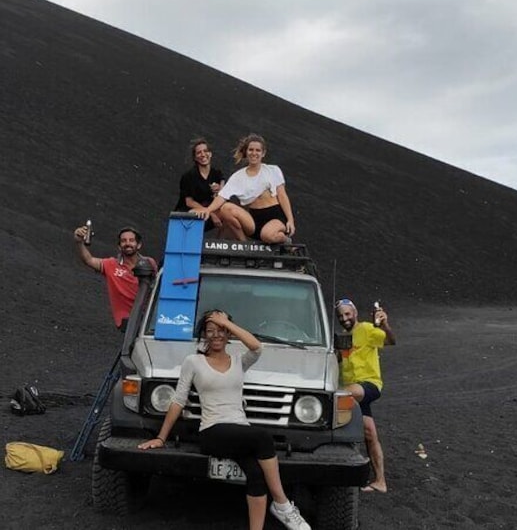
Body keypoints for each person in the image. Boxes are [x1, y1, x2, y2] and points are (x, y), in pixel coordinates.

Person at [137, 310, 310, 530]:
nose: (216, 335)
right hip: (212, 432)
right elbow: (178, 400)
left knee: (256, 475)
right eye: (211, 331)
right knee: (263, 438)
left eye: (221, 330)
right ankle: (283, 505)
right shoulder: (194, 361)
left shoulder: (239, 360)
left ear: (229, 334)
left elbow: (257, 347)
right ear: (204, 335)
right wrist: (161, 438)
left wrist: (225, 322)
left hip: (239, 432)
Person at [335, 298, 396, 494]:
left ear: (354, 312)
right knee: (369, 433)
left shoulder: (367, 329)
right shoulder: (343, 338)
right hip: (354, 392)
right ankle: (380, 481)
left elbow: (390, 340)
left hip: (368, 385)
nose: (344, 318)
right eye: (340, 315)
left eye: (347, 314)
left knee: (339, 395)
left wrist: (384, 323)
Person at [194, 134, 295, 244]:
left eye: (258, 150)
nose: (254, 153)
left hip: (275, 218)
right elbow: (222, 196)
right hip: (253, 220)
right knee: (226, 208)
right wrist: (208, 210)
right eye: (251, 150)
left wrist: (290, 220)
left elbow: (282, 195)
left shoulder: (272, 170)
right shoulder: (238, 176)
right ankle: (245, 245)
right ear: (246, 152)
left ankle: (286, 241)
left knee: (268, 235)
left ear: (263, 153)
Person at [72, 224, 157, 330]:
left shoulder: (149, 262)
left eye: (131, 240)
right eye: (124, 241)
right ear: (119, 246)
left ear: (138, 245)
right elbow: (89, 260)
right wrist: (79, 242)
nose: (127, 243)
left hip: (150, 317)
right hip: (128, 319)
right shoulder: (111, 265)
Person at [174, 137, 225, 234]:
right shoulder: (188, 176)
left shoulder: (217, 173)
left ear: (210, 153)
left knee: (228, 213)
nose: (203, 155)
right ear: (195, 157)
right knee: (196, 214)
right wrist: (211, 213)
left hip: (209, 212)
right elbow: (189, 202)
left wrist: (219, 191)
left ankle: (223, 246)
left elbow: (222, 195)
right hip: (189, 213)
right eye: (199, 152)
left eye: (205, 151)